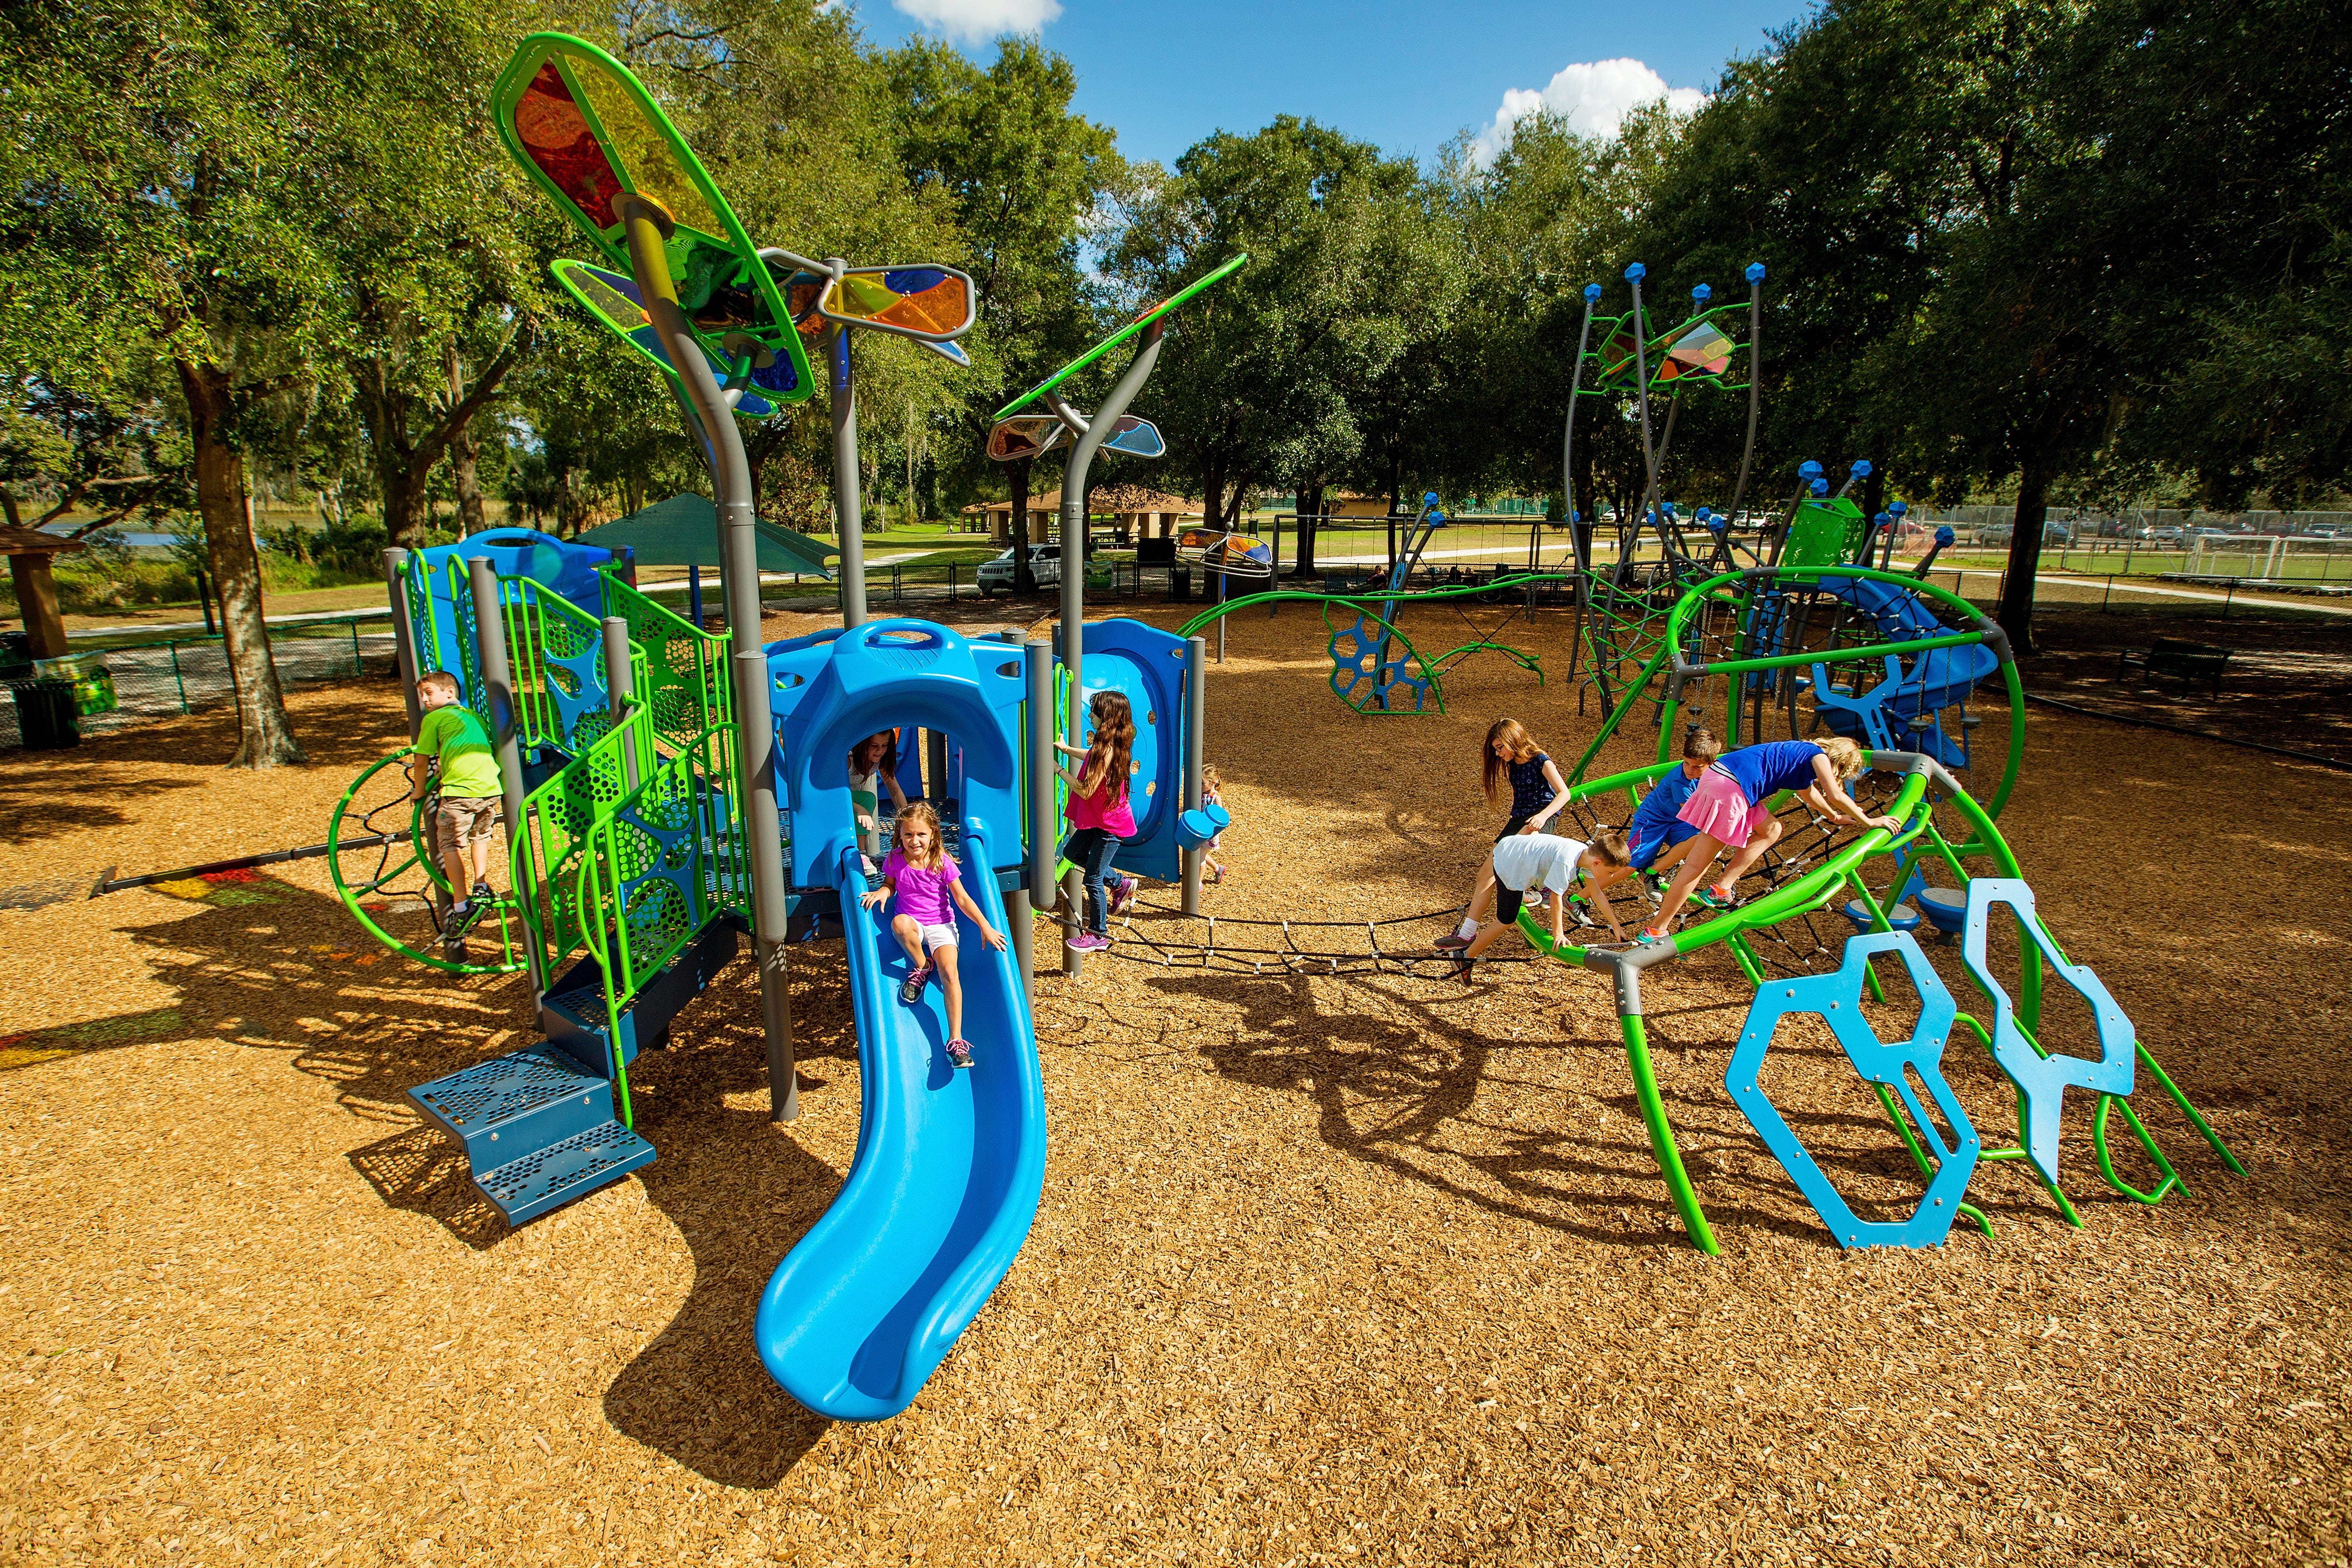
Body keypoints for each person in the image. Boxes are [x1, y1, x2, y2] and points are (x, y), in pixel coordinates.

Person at [1637, 736, 1901, 945]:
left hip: (1725, 781)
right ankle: (1656, 929)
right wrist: (1870, 821)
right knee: (1697, 866)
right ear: (1839, 761)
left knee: (1772, 830)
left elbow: (1810, 794)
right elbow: (1834, 794)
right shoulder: (1818, 755)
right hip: (1731, 789)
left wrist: (1834, 817)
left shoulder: (1799, 756)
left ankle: (1722, 889)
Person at [861, 803, 1005, 1071]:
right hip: (913, 923)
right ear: (900, 834)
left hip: (941, 925)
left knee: (950, 973)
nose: (914, 841)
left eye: (921, 835)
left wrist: (985, 926)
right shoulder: (895, 858)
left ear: (933, 834)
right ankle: (923, 965)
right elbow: (890, 884)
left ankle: (956, 1040)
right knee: (899, 924)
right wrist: (883, 892)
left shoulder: (942, 861)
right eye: (908, 835)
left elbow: (962, 899)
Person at [1438, 719, 1569, 950]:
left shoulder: (1541, 760)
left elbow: (1564, 794)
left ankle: (1534, 888)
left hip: (1541, 816)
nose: (1498, 754)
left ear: (1513, 740)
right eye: (1496, 749)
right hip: (1519, 818)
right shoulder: (1513, 763)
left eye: (1500, 748)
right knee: (1486, 874)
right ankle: (1466, 934)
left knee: (1517, 855)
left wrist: (1543, 816)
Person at [406, 670, 505, 961]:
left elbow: (421, 759)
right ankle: (481, 885)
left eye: (429, 693)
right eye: (422, 695)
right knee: (481, 836)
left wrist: (419, 789)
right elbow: (469, 749)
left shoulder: (433, 720)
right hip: (490, 789)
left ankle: (462, 905)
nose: (425, 700)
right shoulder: (473, 716)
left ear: (450, 693)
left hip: (459, 793)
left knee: (449, 844)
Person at [1443, 828, 1632, 979]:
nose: (1612, 877)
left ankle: (1526, 893)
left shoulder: (1585, 855)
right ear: (1598, 863)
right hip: (1508, 862)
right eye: (1611, 872)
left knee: (1529, 895)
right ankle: (1464, 958)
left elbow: (1597, 893)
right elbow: (1556, 899)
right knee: (1506, 920)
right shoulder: (1566, 862)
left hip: (1517, 851)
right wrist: (1559, 934)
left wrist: (1616, 926)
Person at [1588, 728, 1720, 907]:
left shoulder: (1715, 774)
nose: (1690, 770)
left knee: (1700, 839)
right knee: (1629, 865)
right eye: (1686, 763)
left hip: (1677, 821)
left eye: (1697, 767)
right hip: (1653, 819)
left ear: (1711, 764)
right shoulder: (1681, 781)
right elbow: (1693, 815)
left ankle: (1651, 873)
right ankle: (1578, 898)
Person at [1054, 690, 1138, 953]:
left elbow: (1085, 790)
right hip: (1100, 820)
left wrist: (1058, 770)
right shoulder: (1109, 743)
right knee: (1072, 853)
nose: (1090, 715)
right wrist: (1067, 750)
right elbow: (1091, 755)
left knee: (1092, 879)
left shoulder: (1109, 749)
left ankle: (1099, 934)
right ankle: (1119, 883)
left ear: (1107, 716)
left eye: (1095, 711)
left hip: (1111, 826)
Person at [847, 729, 910, 876]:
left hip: (851, 799)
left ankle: (861, 852)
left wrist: (908, 815)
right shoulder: (849, 760)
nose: (880, 751)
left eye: (885, 746)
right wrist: (860, 809)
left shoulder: (880, 762)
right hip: (834, 798)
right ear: (863, 744)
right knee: (867, 799)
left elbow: (895, 790)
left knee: (865, 799)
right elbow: (834, 793)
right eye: (874, 746)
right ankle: (861, 853)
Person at [1200, 764, 1228, 885]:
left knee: (1200, 859)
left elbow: (1220, 817)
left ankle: (1198, 883)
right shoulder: (1200, 794)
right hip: (1200, 829)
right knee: (1199, 854)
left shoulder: (1216, 798)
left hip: (1210, 832)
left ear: (1213, 782)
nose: (1200, 786)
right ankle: (1218, 869)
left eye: (1202, 783)